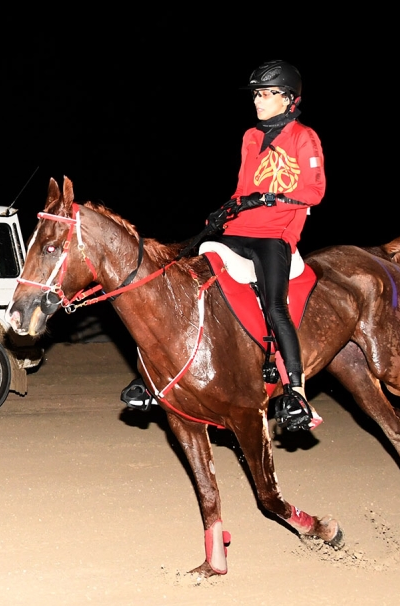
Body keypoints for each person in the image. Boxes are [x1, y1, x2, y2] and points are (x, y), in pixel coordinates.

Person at [123, 60, 326, 433]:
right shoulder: (250, 137)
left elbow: (314, 191)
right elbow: (242, 188)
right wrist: (226, 211)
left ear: (289, 99)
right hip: (240, 229)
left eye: (266, 94)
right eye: (257, 95)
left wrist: (266, 199)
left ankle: (295, 391)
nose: (258, 101)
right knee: (183, 276)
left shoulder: (304, 137)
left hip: (275, 235)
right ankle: (156, 376)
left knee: (275, 304)